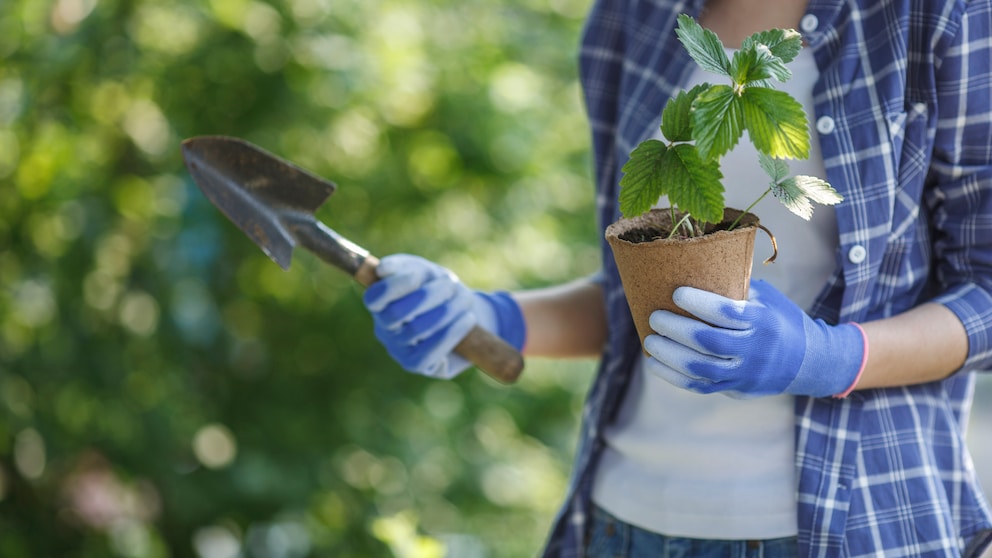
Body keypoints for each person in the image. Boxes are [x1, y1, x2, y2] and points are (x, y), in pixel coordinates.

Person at [362, 0, 992, 555]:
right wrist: (491, 318)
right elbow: (637, 297)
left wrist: (829, 357)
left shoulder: (937, 16)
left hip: (851, 525)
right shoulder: (629, 16)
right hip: (622, 518)